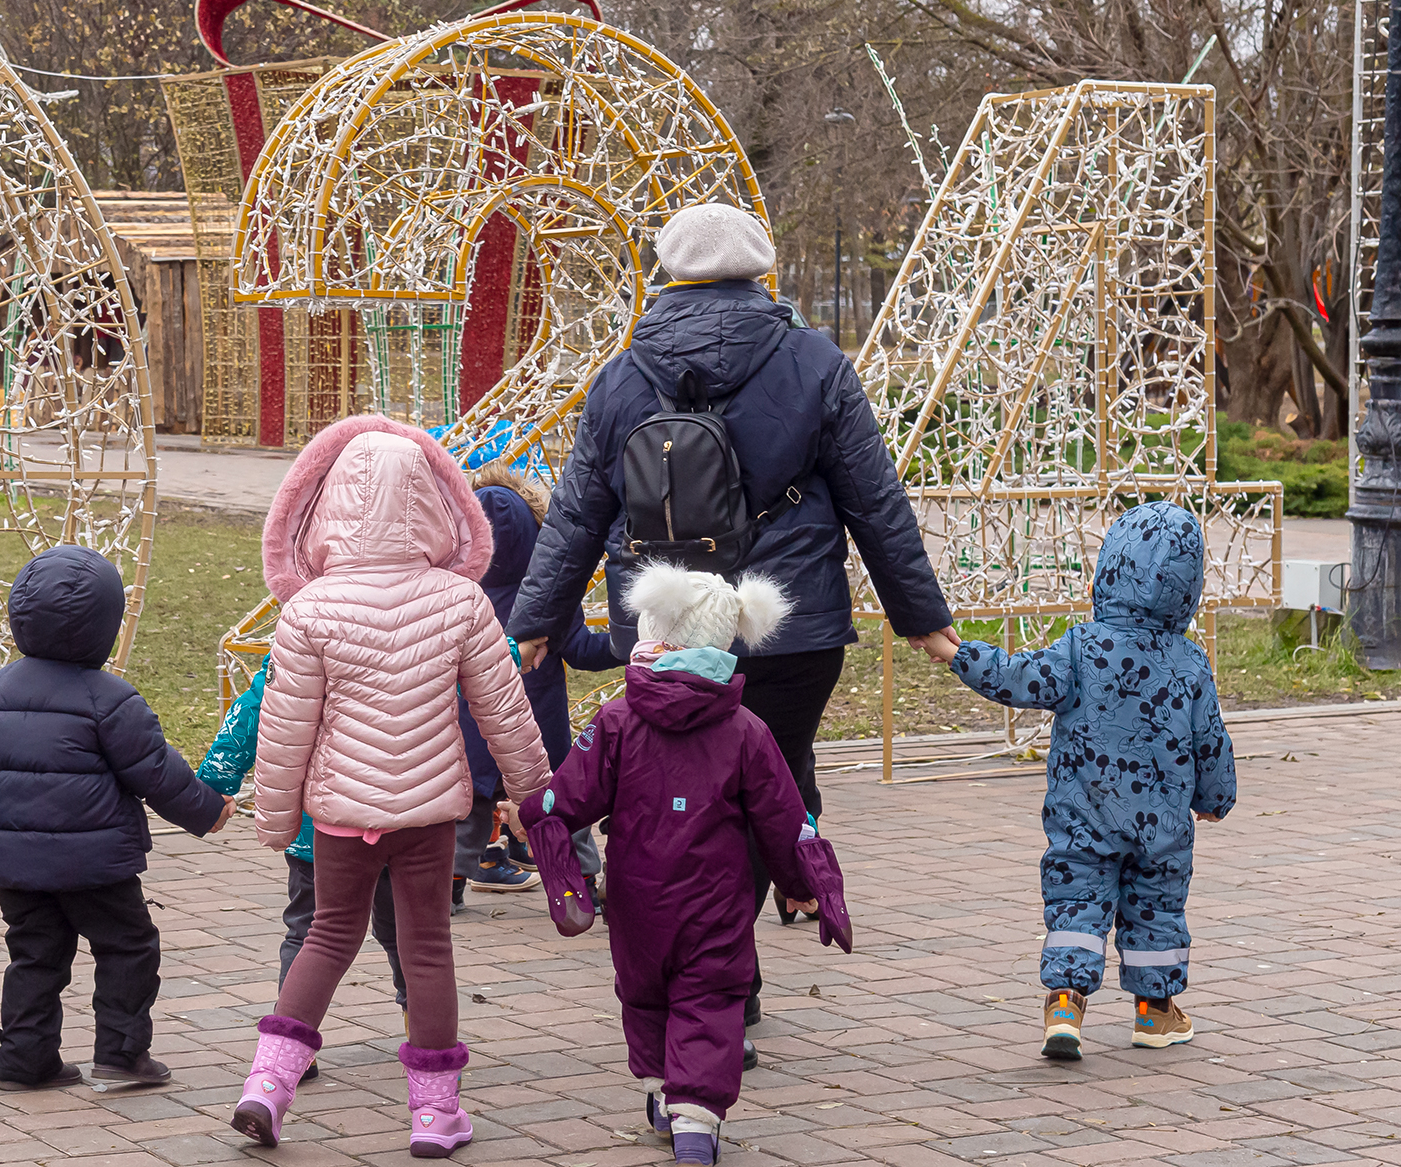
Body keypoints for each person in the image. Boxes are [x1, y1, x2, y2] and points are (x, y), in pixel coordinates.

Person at [505, 201, 955, 1055]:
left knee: (670, 803)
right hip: (790, 632)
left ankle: (693, 979)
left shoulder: (622, 374)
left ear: (669, 271)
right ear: (761, 268)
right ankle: (725, 979)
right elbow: (876, 500)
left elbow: (575, 509)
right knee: (761, 798)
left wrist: (536, 619)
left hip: (669, 625)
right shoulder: (816, 362)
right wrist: (922, 617)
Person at [231, 414, 550, 1158]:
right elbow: (506, 712)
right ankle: (436, 1116)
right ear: (437, 503)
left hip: (341, 810)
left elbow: (285, 728)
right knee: (428, 945)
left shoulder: (309, 610)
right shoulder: (461, 602)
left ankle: (268, 1087)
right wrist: (536, 796)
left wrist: (277, 819)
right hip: (430, 810)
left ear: (329, 505)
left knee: (328, 934)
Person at [520, 561, 848, 1164]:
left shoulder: (617, 721)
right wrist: (803, 882)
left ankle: (657, 1090)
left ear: (655, 629)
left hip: (637, 901)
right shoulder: (747, 730)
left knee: (644, 996)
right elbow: (784, 813)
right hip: (718, 905)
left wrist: (538, 813)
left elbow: (570, 796)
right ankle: (696, 1121)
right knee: (712, 1000)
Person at [918, 500, 1236, 1059]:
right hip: (1161, 828)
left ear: (1109, 570)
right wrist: (1215, 798)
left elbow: (1019, 679)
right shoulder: (1190, 661)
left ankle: (1064, 1005)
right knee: (1157, 911)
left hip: (1083, 816)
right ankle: (1154, 1013)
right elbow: (1209, 739)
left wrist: (955, 653)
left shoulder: (1081, 648)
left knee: (1077, 904)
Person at [0, 544, 232, 1092]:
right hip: (94, 865)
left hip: (18, 865)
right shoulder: (111, 698)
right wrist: (208, 811)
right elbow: (156, 773)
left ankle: (24, 1062)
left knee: (35, 955)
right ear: (105, 626)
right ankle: (122, 1055)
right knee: (128, 946)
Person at [196, 653, 409, 1061]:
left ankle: (288, 1048)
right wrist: (519, 647)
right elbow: (480, 660)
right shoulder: (424, 628)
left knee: (310, 933)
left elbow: (250, 715)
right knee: (412, 935)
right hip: (405, 818)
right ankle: (423, 1035)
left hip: (322, 826)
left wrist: (211, 788)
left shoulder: (297, 643)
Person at [452, 463, 602, 900]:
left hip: (468, 721)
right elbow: (581, 650)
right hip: (537, 723)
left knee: (468, 805)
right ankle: (581, 883)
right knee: (557, 798)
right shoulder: (547, 594)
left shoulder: (455, 595)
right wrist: (624, 643)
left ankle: (451, 881)